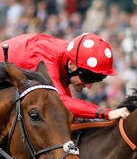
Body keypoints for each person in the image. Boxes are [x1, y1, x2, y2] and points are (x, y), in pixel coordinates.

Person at [1, 32, 129, 120]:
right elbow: (60, 102)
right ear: (72, 65)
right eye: (88, 77)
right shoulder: (46, 59)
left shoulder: (69, 57)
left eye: (96, 79)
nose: (89, 86)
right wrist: (106, 113)